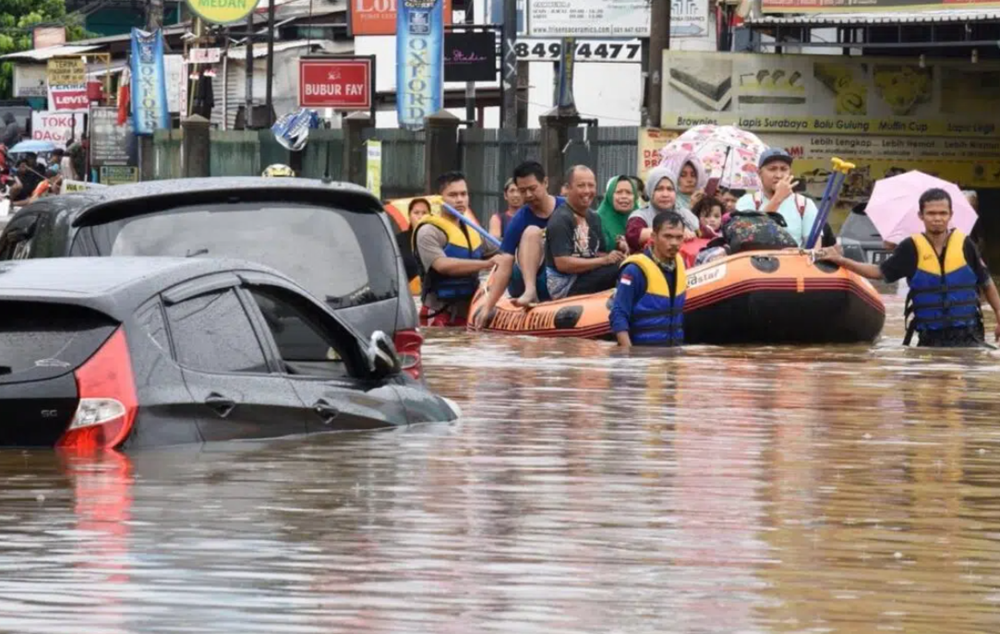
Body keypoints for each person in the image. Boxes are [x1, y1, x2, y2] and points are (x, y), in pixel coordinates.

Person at [817, 188, 1000, 347]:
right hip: (930, 339)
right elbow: (878, 272)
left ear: (950, 215)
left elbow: (987, 283)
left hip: (970, 336)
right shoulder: (910, 248)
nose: (937, 218)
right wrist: (841, 260)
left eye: (943, 213)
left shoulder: (965, 245)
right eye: (931, 213)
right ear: (921, 215)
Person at [476, 161, 566, 319]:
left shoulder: (567, 209)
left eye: (532, 189)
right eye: (523, 191)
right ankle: (530, 291)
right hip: (528, 279)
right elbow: (505, 264)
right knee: (532, 232)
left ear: (545, 183)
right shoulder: (520, 219)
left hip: (560, 275)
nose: (528, 195)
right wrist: (488, 307)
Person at [413, 184, 502, 327]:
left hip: (468, 312)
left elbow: (503, 252)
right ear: (439, 198)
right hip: (438, 312)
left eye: (463, 194)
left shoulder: (474, 231)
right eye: (453, 195)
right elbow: (442, 266)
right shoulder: (428, 231)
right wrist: (487, 264)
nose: (460, 200)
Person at [544, 165, 625, 299]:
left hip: (587, 274)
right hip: (566, 285)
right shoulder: (560, 219)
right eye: (581, 186)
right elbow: (563, 264)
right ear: (567, 188)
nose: (587, 191)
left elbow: (599, 252)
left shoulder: (594, 217)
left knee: (626, 265)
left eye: (591, 185)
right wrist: (604, 261)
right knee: (616, 269)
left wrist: (618, 250)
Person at [610, 211, 687, 348]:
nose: (674, 243)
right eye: (668, 236)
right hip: (643, 356)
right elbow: (619, 314)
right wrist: (629, 354)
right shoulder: (634, 270)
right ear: (654, 237)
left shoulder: (680, 266)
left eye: (679, 237)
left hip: (672, 354)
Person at [735, 148, 818, 247]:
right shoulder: (747, 201)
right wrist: (777, 198)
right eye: (772, 169)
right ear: (759, 173)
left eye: (784, 169)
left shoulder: (804, 204)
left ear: (790, 173)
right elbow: (746, 238)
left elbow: (814, 249)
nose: (778, 175)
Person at [625, 160, 699, 253]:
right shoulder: (640, 216)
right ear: (651, 191)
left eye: (670, 189)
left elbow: (700, 231)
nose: (665, 194)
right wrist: (676, 232)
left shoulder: (684, 213)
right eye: (659, 189)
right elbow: (633, 236)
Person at [596, 174, 639, 253]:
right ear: (609, 196)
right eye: (619, 192)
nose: (624, 196)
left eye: (629, 193)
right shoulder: (596, 219)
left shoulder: (641, 218)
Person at [397, 197, 431, 283]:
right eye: (416, 213)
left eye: (424, 213)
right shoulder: (399, 240)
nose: (420, 217)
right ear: (409, 216)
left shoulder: (435, 239)